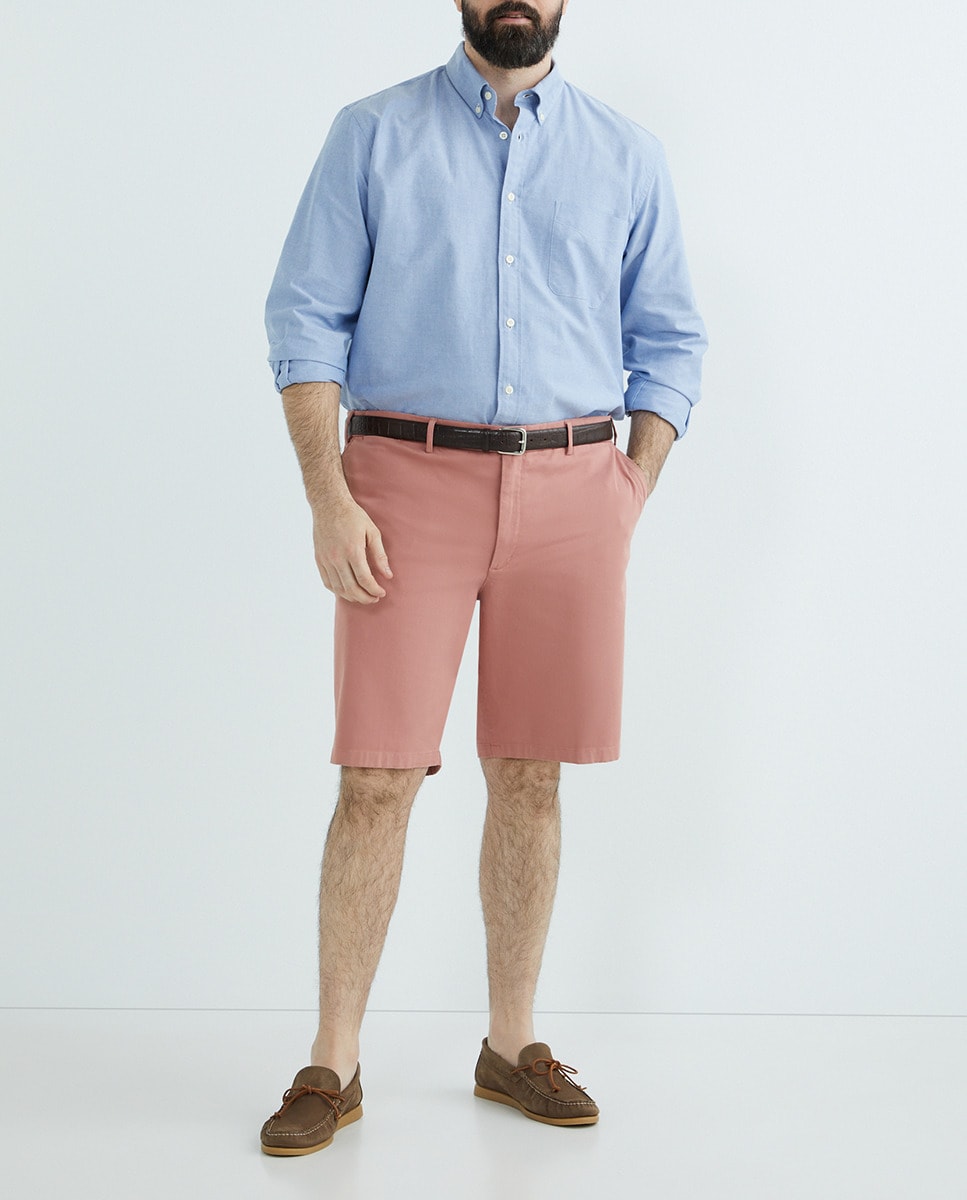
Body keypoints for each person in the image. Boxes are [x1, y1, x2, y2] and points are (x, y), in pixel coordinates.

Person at [259, 0, 707, 1155]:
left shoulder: (627, 155)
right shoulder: (371, 134)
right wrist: (328, 497)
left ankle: (511, 1046)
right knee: (376, 776)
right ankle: (332, 1061)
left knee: (530, 776)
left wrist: (629, 486)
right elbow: (305, 319)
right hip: (403, 484)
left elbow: (671, 339)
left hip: (574, 487)